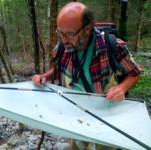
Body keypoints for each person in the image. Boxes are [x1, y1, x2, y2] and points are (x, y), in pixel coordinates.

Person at [32, 2, 141, 150]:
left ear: (87, 29)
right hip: (76, 114)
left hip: (107, 115)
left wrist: (121, 88)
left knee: (107, 147)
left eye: (70, 34)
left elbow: (134, 73)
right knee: (77, 146)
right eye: (60, 33)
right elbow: (58, 70)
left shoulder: (113, 46)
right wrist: (45, 76)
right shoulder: (61, 48)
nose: (64, 40)